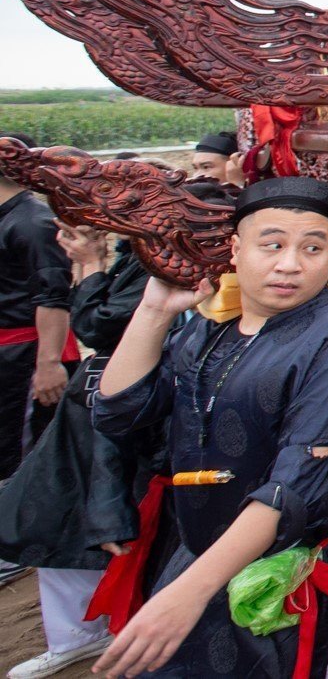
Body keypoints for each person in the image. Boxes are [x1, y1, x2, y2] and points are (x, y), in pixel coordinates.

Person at [91, 176, 328, 679]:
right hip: (202, 558)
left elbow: (292, 488)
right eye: (272, 244)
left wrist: (189, 591)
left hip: (286, 574)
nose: (290, 264)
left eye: (313, 248)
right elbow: (120, 412)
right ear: (235, 249)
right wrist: (154, 311)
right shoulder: (213, 332)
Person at [0, 221, 164, 679]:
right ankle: (75, 635)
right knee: (55, 509)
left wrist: (90, 265)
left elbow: (98, 322)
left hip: (131, 407)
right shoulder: (137, 254)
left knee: (116, 516)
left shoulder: (167, 259)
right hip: (94, 401)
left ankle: (114, 625)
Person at [0, 135, 74, 490]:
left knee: (15, 447)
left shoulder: (32, 222)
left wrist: (48, 363)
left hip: (23, 355)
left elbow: (52, 296)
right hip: (6, 352)